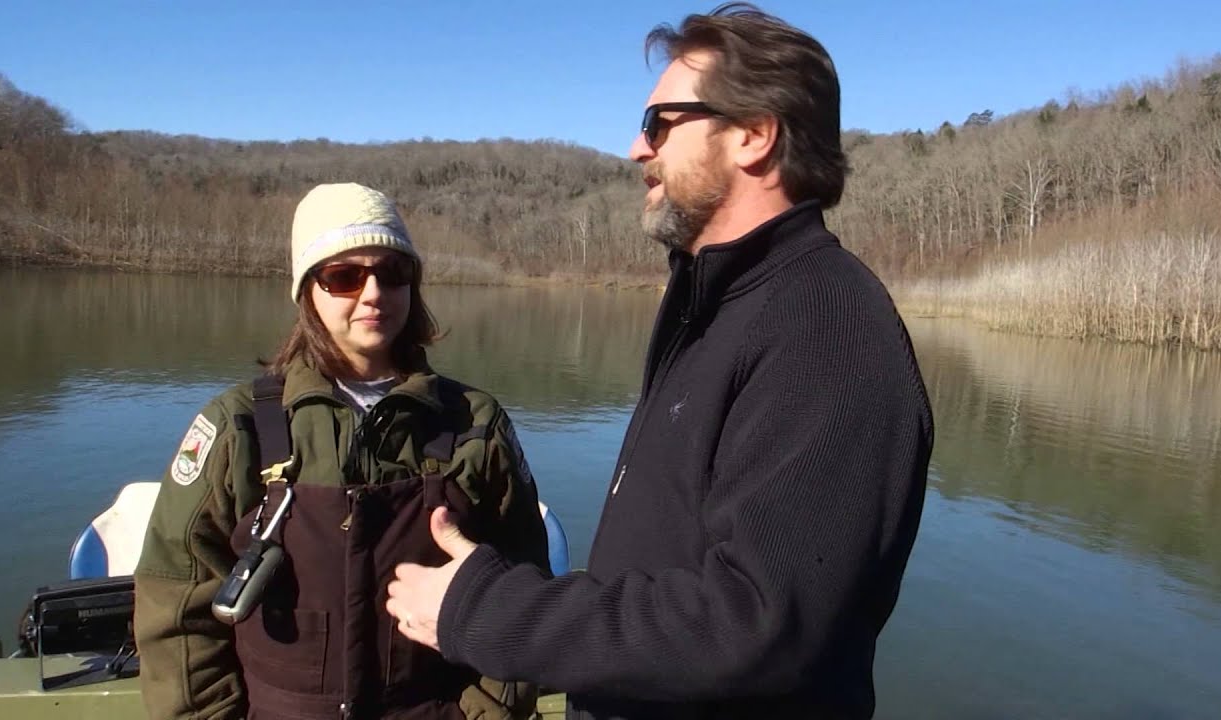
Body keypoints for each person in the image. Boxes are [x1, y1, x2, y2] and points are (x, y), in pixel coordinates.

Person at [385, 4, 934, 719]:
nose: (636, 150)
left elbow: (755, 624)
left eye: (659, 124)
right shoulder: (719, 308)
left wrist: (483, 609)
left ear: (753, 135)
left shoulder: (824, 326)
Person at [134, 182, 549, 720]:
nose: (373, 292)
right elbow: (176, 599)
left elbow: (522, 584)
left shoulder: (476, 424)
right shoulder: (238, 426)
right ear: (308, 290)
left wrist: (486, 712)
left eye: (392, 272)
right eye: (345, 276)